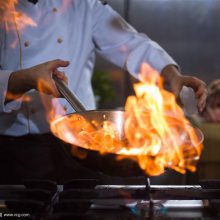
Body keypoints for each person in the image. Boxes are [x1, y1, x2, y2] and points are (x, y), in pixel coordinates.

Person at [0, 0, 207, 184]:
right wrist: (21, 79)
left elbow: (132, 43)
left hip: (83, 145)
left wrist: (171, 76)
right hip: (17, 150)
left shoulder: (82, 5)